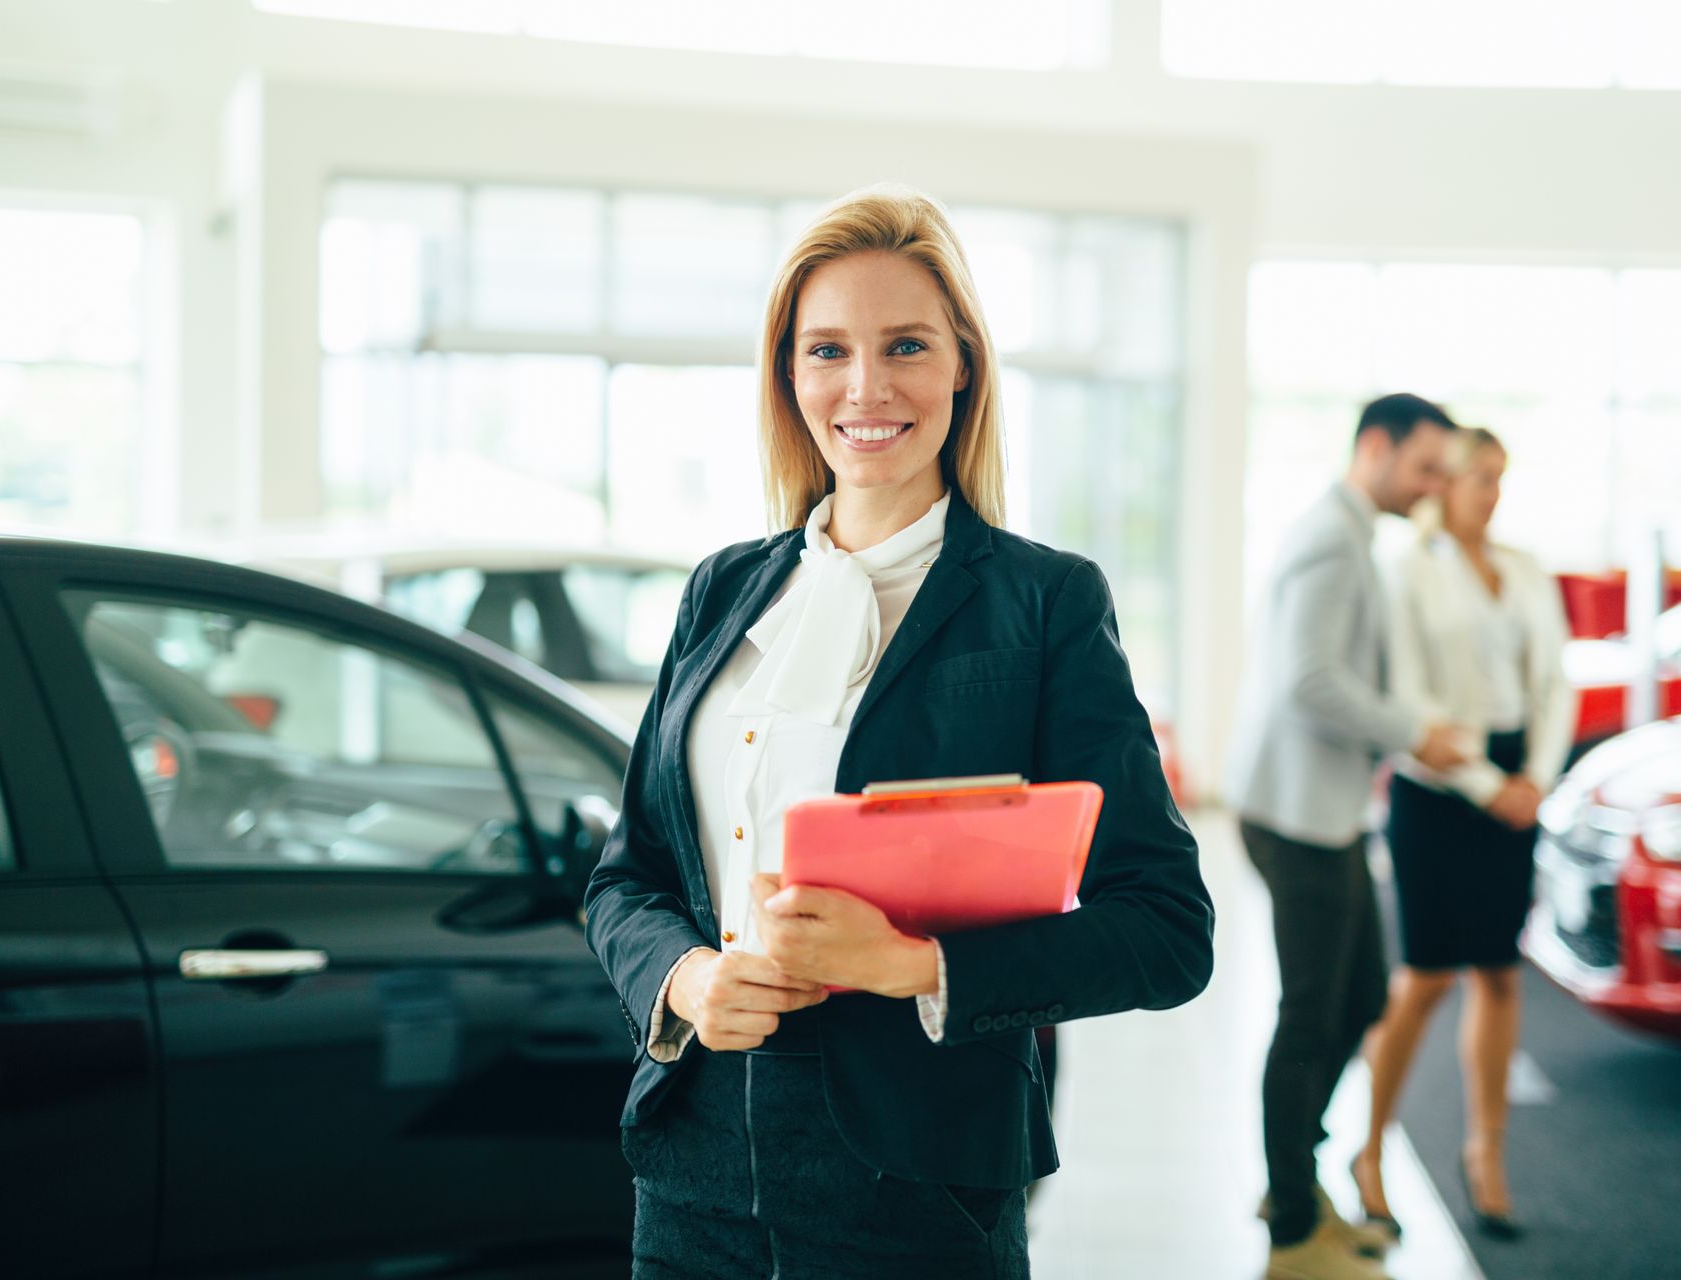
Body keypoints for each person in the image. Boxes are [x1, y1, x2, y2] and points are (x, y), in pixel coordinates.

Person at [581, 184, 1214, 1280]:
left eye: (906, 345)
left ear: (963, 364)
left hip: (914, 1183)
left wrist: (915, 963)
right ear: (790, 374)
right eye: (828, 349)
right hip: (691, 1177)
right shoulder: (724, 588)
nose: (866, 386)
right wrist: (683, 979)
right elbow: (623, 877)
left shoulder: (1043, 600)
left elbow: (1167, 926)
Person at [1226, 392, 1471, 1280]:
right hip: (1298, 815)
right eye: (1427, 466)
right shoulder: (1333, 539)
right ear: (1376, 448)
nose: (1436, 484)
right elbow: (1310, 682)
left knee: (1362, 997)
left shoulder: (1348, 530)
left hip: (1319, 809)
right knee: (1311, 1015)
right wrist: (1414, 729)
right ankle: (1293, 1216)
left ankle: (1294, 1169)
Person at [1351, 427, 1574, 1243]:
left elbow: (1554, 680)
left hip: (1518, 784)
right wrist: (1490, 788)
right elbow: (1409, 699)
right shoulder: (1408, 570)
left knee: (1500, 974)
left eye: (1500, 479)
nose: (1493, 494)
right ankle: (1369, 1148)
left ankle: (1486, 1155)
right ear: (1445, 485)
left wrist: (1536, 785)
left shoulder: (1524, 569)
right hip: (1442, 790)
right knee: (1424, 978)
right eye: (1480, 478)